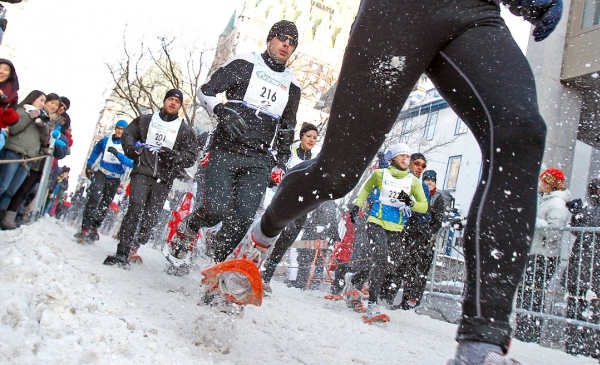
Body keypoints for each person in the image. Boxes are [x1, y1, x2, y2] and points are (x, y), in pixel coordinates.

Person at [202, 0, 563, 362]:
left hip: (473, 11)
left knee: (521, 132)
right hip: (397, 12)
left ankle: (482, 344)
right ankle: (258, 241)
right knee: (336, 175)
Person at [176, 20, 302, 263]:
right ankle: (190, 226)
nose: (287, 44)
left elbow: (287, 126)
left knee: (243, 219)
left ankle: (215, 265)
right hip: (226, 149)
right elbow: (205, 91)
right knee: (214, 211)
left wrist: (282, 161)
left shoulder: (293, 86)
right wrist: (221, 111)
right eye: (282, 38)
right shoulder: (245, 63)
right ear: (270, 38)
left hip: (259, 159)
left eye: (292, 42)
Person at [103, 89, 197, 266]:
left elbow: (191, 155)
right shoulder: (146, 120)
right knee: (135, 209)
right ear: (164, 101)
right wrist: (131, 149)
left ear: (180, 106)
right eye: (170, 99)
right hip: (142, 172)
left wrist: (175, 156)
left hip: (164, 178)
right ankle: (122, 251)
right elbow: (129, 134)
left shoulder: (184, 130)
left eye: (177, 101)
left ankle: (136, 244)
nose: (173, 103)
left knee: (151, 218)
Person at [344, 142, 428, 320]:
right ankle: (373, 304)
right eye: (402, 155)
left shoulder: (412, 181)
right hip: (376, 221)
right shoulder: (380, 174)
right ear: (393, 158)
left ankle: (355, 279)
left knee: (391, 262)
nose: (406, 158)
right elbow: (366, 189)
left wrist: (410, 203)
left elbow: (424, 206)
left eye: (408, 155)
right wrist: (356, 206)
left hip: (396, 227)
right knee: (382, 257)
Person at [514, 168, 571, 343]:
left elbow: (554, 232)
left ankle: (530, 331)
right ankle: (523, 328)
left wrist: (533, 220)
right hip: (534, 252)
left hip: (544, 256)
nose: (540, 184)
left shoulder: (557, 204)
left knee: (534, 294)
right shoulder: (543, 200)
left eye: (544, 181)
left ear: (552, 184)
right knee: (526, 292)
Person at [261, 122, 319, 291]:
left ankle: (266, 277)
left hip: (302, 205)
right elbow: (273, 173)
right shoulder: (289, 155)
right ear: (301, 136)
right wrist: (274, 177)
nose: (311, 140)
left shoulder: (316, 160)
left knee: (286, 241)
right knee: (286, 230)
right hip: (281, 199)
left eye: (315, 138)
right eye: (308, 136)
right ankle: (255, 264)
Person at [74, 120, 133, 243]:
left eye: (122, 129)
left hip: (115, 177)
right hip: (101, 172)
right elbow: (96, 151)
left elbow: (130, 163)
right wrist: (89, 165)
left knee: (105, 203)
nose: (119, 131)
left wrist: (118, 154)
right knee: (94, 197)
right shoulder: (105, 140)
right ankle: (85, 228)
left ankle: (95, 227)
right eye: (118, 128)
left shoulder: (128, 146)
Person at [563, 178, 600, 359]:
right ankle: (576, 344)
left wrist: (579, 214)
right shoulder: (590, 208)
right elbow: (577, 230)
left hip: (589, 265)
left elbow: (588, 226)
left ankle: (585, 346)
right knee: (578, 304)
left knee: (587, 307)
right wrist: (577, 215)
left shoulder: (591, 210)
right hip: (583, 264)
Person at [0, 90, 47, 220]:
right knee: (2, 186)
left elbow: (45, 140)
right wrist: (30, 117)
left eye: (44, 101)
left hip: (29, 157)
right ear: (32, 99)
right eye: (41, 100)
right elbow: (14, 129)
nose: (43, 104)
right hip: (14, 152)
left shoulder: (42, 118)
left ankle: (1, 218)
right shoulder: (21, 111)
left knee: (11, 191)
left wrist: (43, 125)